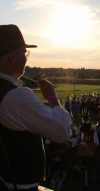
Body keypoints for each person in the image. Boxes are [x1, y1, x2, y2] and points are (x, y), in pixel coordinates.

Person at [0, 24, 72, 191]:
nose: (26, 58)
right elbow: (62, 132)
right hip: (18, 186)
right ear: (12, 57)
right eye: (25, 53)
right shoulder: (18, 97)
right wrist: (53, 99)